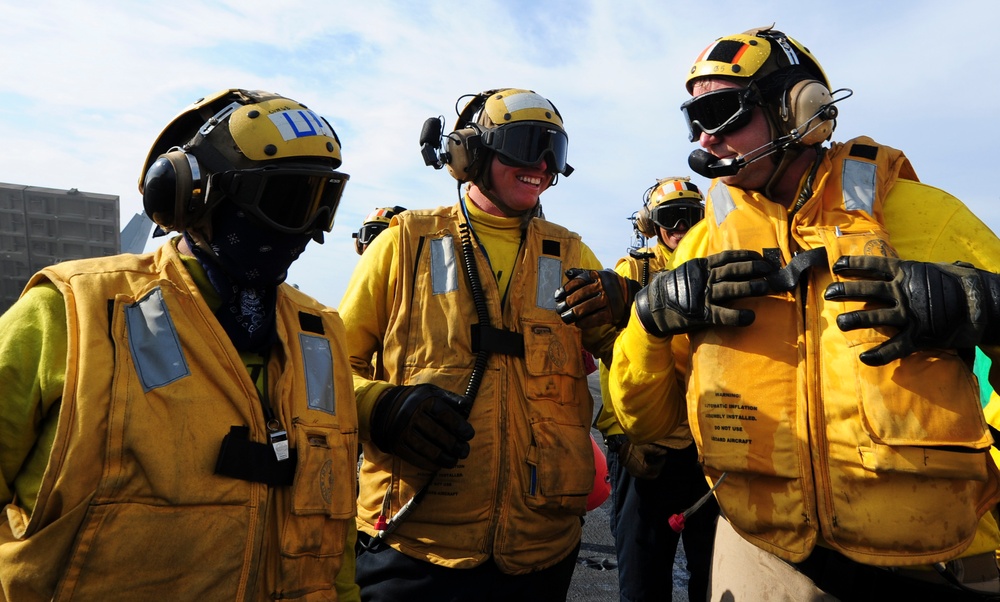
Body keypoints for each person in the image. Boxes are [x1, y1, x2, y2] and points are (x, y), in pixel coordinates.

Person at [590, 26, 1000, 600]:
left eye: (721, 112)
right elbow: (651, 422)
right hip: (762, 558)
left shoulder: (930, 219)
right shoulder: (702, 246)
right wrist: (650, 323)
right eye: (695, 120)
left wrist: (986, 307)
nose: (706, 138)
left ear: (798, 110)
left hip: (935, 561)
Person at [0, 88, 361, 601]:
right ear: (192, 195)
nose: (306, 230)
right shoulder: (72, 312)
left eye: (322, 202)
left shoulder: (320, 333)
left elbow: (336, 543)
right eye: (287, 202)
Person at [339, 88, 625, 601]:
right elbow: (332, 365)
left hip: (542, 547)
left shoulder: (571, 251)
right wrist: (380, 407)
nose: (540, 164)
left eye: (552, 151)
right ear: (470, 153)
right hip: (414, 541)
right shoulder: (405, 242)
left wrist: (631, 306)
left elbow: (619, 356)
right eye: (525, 145)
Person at [595, 176, 717, 602]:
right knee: (642, 581)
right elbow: (611, 360)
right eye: (670, 218)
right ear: (652, 225)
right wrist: (618, 434)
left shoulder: (717, 264)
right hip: (646, 452)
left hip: (709, 452)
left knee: (716, 579)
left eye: (691, 216)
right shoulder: (632, 272)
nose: (681, 227)